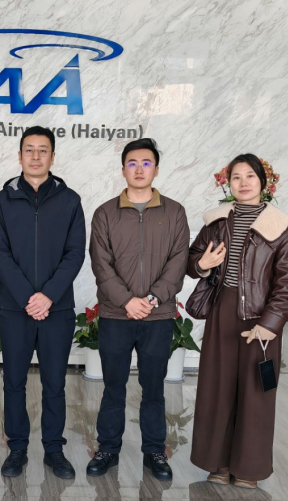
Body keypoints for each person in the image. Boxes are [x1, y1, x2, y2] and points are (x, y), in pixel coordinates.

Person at [189, 153, 288, 489]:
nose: (243, 183)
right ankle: (219, 464)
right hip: (222, 312)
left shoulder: (280, 226)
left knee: (256, 393)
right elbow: (192, 260)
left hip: (261, 319)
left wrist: (270, 322)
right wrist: (202, 263)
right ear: (228, 184)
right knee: (217, 389)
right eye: (236, 177)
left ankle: (248, 468)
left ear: (263, 182)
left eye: (250, 176)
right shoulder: (216, 221)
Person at [87, 138, 189, 480]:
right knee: (113, 386)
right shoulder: (105, 213)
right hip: (116, 315)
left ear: (156, 169)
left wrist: (152, 299)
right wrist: (127, 301)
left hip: (157, 316)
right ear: (123, 170)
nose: (139, 169)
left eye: (146, 163)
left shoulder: (174, 212)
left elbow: (179, 261)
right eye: (133, 163)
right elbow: (101, 264)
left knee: (154, 387)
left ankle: (155, 452)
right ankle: (107, 448)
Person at [0, 126, 85, 479]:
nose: (35, 156)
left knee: (55, 383)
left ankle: (53, 449)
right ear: (19, 156)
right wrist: (27, 297)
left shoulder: (70, 200)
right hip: (15, 310)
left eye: (42, 150)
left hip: (56, 309)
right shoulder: (2, 201)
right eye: (29, 150)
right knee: (13, 381)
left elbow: (75, 254)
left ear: (53, 157)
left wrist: (48, 295)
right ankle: (17, 448)